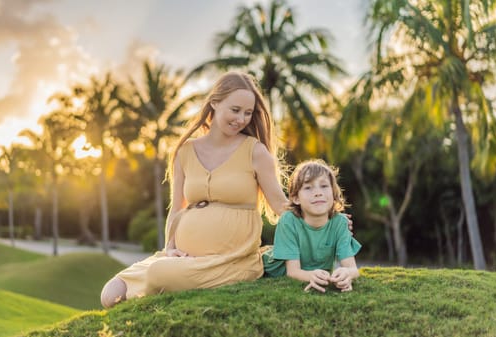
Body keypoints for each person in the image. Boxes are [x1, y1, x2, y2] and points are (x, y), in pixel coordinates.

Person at [100, 71, 289, 308]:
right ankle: (167, 274)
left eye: (248, 113)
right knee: (110, 294)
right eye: (235, 110)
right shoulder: (185, 151)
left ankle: (162, 284)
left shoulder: (256, 152)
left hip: (231, 261)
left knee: (159, 274)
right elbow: (176, 208)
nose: (241, 119)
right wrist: (169, 248)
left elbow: (281, 206)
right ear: (215, 103)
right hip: (183, 259)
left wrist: (325, 219)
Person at [262, 159, 361, 293]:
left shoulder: (340, 223)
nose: (318, 192)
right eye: (308, 187)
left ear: (333, 193)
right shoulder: (288, 220)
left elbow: (353, 269)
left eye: (324, 186)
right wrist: (310, 276)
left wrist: (346, 274)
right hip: (270, 270)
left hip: (312, 272)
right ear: (296, 198)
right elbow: (293, 272)